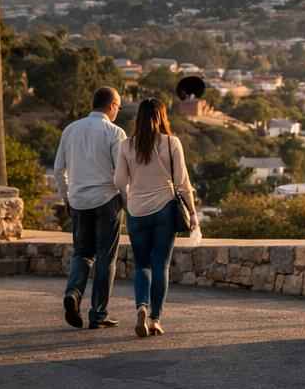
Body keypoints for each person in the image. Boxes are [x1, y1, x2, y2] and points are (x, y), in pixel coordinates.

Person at [115, 98, 198, 338]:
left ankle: (141, 306)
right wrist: (192, 213)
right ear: (162, 116)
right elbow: (183, 183)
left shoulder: (126, 145)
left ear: (138, 118)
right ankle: (154, 319)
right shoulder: (172, 143)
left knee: (142, 265)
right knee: (160, 265)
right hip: (164, 209)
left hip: (136, 211)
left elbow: (119, 182)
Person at [53, 86, 127, 329]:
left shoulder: (70, 130)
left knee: (82, 253)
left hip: (78, 201)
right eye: (118, 105)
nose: (119, 110)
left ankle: (73, 294)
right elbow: (121, 175)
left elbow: (58, 169)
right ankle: (98, 314)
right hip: (107, 200)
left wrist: (67, 198)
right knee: (106, 258)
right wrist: (127, 202)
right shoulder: (115, 133)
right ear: (111, 105)